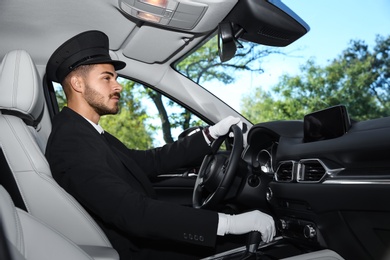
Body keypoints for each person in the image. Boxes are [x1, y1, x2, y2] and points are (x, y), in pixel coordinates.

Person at [45, 30, 275, 259]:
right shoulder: (71, 141)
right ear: (77, 83)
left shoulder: (86, 132)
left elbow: (148, 162)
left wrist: (210, 134)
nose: (118, 86)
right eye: (107, 78)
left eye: (115, 78)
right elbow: (132, 212)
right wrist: (228, 224)